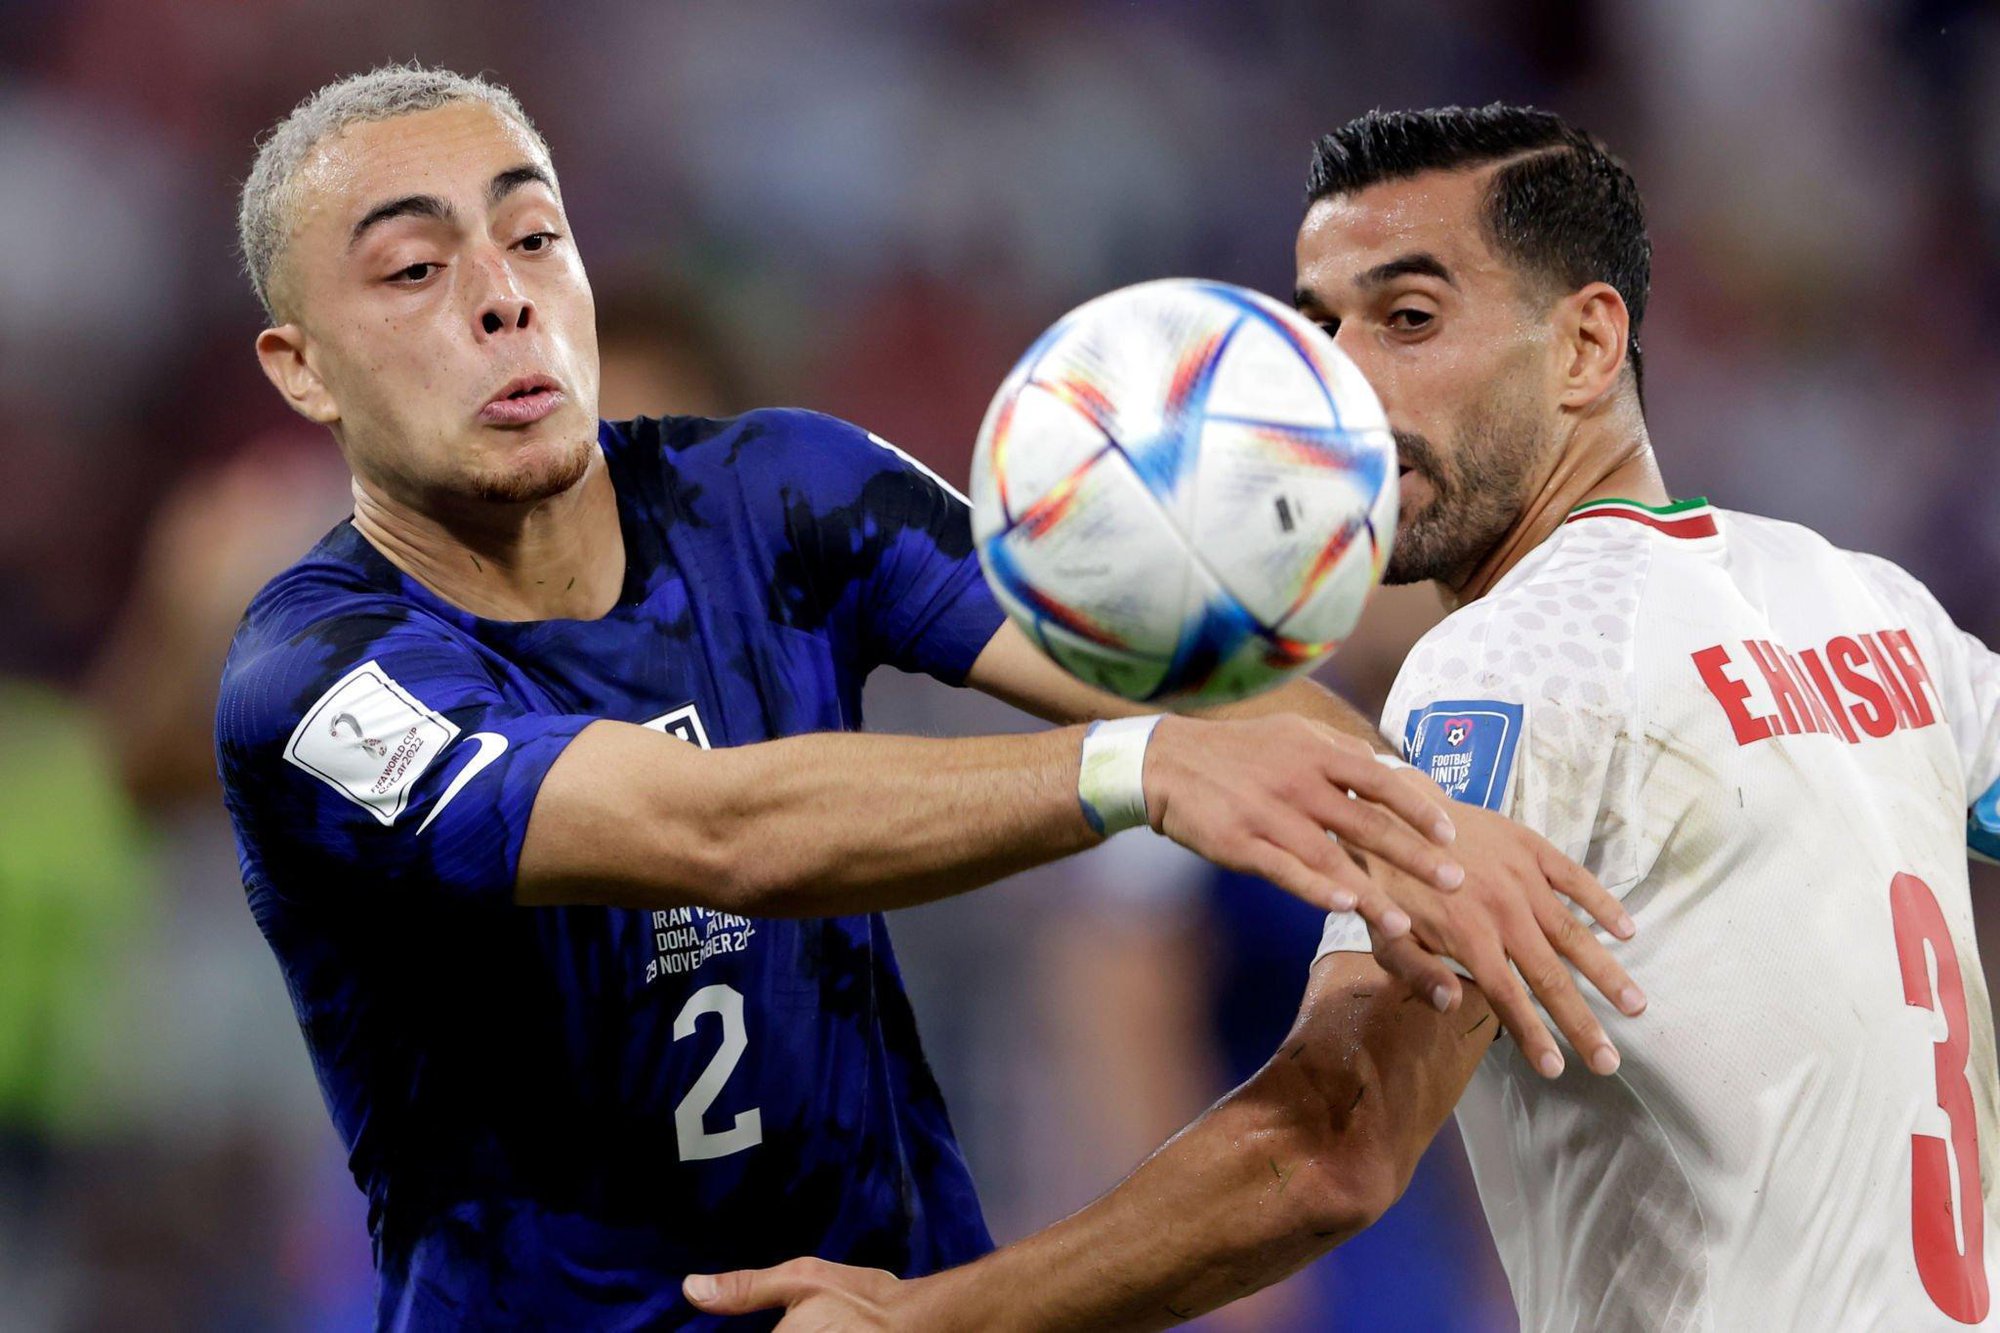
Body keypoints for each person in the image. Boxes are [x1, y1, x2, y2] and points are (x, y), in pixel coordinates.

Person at [216, 69, 1642, 1329]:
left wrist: (1431, 835)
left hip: (902, 1311)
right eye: (415, 269)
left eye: (534, 237)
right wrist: (1131, 769)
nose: (502, 294)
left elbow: (1171, 683)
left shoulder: (777, 493)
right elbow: (714, 832)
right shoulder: (319, 684)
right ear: (302, 368)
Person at [693, 103, 2000, 1331]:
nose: (1339, 391)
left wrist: (932, 1314)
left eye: (1409, 320)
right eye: (1318, 332)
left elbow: (1336, 1137)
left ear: (1588, 347)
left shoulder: (1514, 653)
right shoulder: (1877, 606)